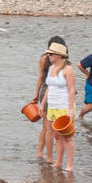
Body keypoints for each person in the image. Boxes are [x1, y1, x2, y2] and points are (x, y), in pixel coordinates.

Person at [38, 40, 78, 172]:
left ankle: (69, 165)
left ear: (59, 55)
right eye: (48, 54)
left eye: (51, 54)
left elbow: (72, 90)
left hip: (63, 106)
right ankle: (58, 162)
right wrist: (43, 103)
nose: (48, 56)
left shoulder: (68, 70)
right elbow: (49, 88)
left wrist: (70, 110)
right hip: (52, 107)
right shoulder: (51, 68)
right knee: (56, 136)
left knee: (67, 137)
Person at [33, 34, 65, 164]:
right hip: (47, 91)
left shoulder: (62, 62)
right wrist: (36, 94)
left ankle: (41, 153)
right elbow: (41, 77)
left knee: (47, 127)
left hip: (56, 91)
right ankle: (45, 155)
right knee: (48, 127)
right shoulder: (44, 59)